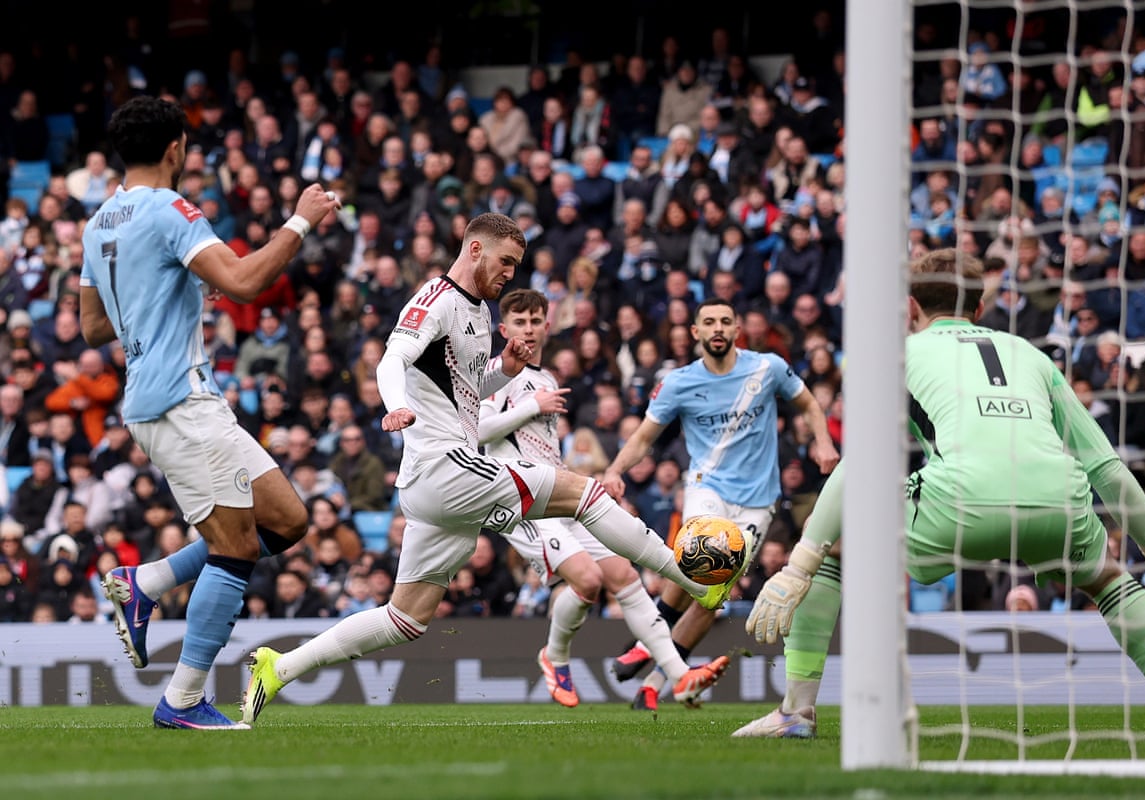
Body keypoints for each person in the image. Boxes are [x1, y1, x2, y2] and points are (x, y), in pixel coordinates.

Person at [241, 213, 734, 725]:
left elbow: (463, 391)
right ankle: (699, 583)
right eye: (505, 262)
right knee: (584, 494)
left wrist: (506, 370)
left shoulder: (477, 312)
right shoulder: (436, 299)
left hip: (436, 486)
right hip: (444, 466)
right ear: (474, 249)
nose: (510, 275)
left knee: (404, 619)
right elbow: (392, 360)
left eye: (517, 266)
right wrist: (394, 404)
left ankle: (279, 667)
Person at [733, 248, 1145, 739]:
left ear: (910, 309)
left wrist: (800, 563)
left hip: (960, 503)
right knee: (1107, 578)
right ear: (978, 310)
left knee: (837, 547)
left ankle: (796, 712)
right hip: (1058, 502)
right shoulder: (1032, 355)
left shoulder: (895, 354)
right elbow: (1106, 467)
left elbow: (864, 463)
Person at [78, 96, 341, 730]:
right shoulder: (171, 208)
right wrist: (299, 222)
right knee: (236, 547)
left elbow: (91, 327)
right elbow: (248, 282)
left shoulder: (98, 222)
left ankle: (147, 584)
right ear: (176, 150)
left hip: (161, 397)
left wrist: (178, 284)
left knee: (286, 519)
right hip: (180, 401)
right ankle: (184, 698)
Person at [478, 289, 730, 708]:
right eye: (519, 322)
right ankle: (555, 655)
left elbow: (542, 450)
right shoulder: (497, 374)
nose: (528, 329)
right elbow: (481, 432)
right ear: (504, 329)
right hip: (519, 500)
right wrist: (530, 407)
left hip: (558, 492)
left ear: (545, 326)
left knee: (625, 578)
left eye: (535, 321)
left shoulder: (544, 378)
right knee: (589, 581)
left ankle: (681, 676)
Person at [601, 298, 840, 709]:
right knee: (698, 564)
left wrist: (823, 441)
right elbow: (643, 437)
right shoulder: (678, 382)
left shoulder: (767, 369)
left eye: (725, 322)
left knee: (713, 595)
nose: (717, 328)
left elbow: (807, 404)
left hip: (758, 502)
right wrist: (614, 470)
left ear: (736, 329)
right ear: (694, 332)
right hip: (706, 486)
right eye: (708, 322)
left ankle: (654, 679)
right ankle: (650, 652)